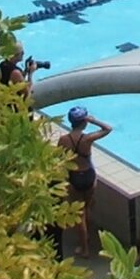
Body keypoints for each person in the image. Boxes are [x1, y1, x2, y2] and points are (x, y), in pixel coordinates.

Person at [58, 106, 113, 253]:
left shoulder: (63, 140)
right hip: (89, 176)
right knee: (87, 206)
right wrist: (93, 121)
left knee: (79, 214)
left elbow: (59, 159)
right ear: (84, 122)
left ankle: (84, 248)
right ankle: (86, 240)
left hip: (74, 177)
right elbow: (108, 129)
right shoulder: (87, 139)